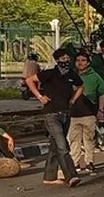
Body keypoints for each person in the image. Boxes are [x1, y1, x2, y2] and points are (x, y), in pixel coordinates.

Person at [25, 48, 82, 187]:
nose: (66, 61)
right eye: (63, 59)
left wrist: (73, 99)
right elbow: (29, 80)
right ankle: (71, 176)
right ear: (57, 60)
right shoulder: (49, 74)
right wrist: (39, 96)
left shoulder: (71, 75)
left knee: (55, 145)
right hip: (51, 113)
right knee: (63, 145)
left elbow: (80, 86)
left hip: (65, 113)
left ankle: (49, 176)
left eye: (68, 58)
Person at [69, 51, 104, 173]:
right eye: (78, 60)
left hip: (89, 112)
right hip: (73, 113)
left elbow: (102, 92)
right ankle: (75, 162)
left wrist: (101, 110)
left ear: (88, 62)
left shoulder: (94, 76)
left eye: (83, 60)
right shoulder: (71, 75)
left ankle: (89, 161)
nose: (80, 63)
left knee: (89, 138)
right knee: (74, 139)